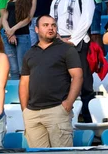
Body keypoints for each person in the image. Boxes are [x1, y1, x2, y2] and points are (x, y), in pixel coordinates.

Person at [19, 15, 83, 148]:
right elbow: (24, 83)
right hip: (33, 114)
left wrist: (68, 103)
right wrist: (25, 110)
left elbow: (77, 77)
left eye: (53, 25)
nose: (50, 28)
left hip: (57, 110)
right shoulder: (29, 53)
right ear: (36, 29)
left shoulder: (66, 49)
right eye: (46, 25)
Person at [49, 0, 95, 123]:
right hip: (59, 43)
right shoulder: (56, 0)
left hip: (78, 42)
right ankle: (65, 119)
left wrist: (72, 40)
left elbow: (86, 20)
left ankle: (89, 119)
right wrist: (56, 40)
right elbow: (51, 23)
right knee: (61, 82)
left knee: (84, 82)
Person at [0, 0, 35, 79]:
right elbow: (4, 18)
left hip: (22, 35)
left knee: (22, 68)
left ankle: (25, 93)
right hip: (8, 35)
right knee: (13, 69)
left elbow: (28, 18)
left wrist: (12, 30)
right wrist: (9, 32)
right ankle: (15, 93)